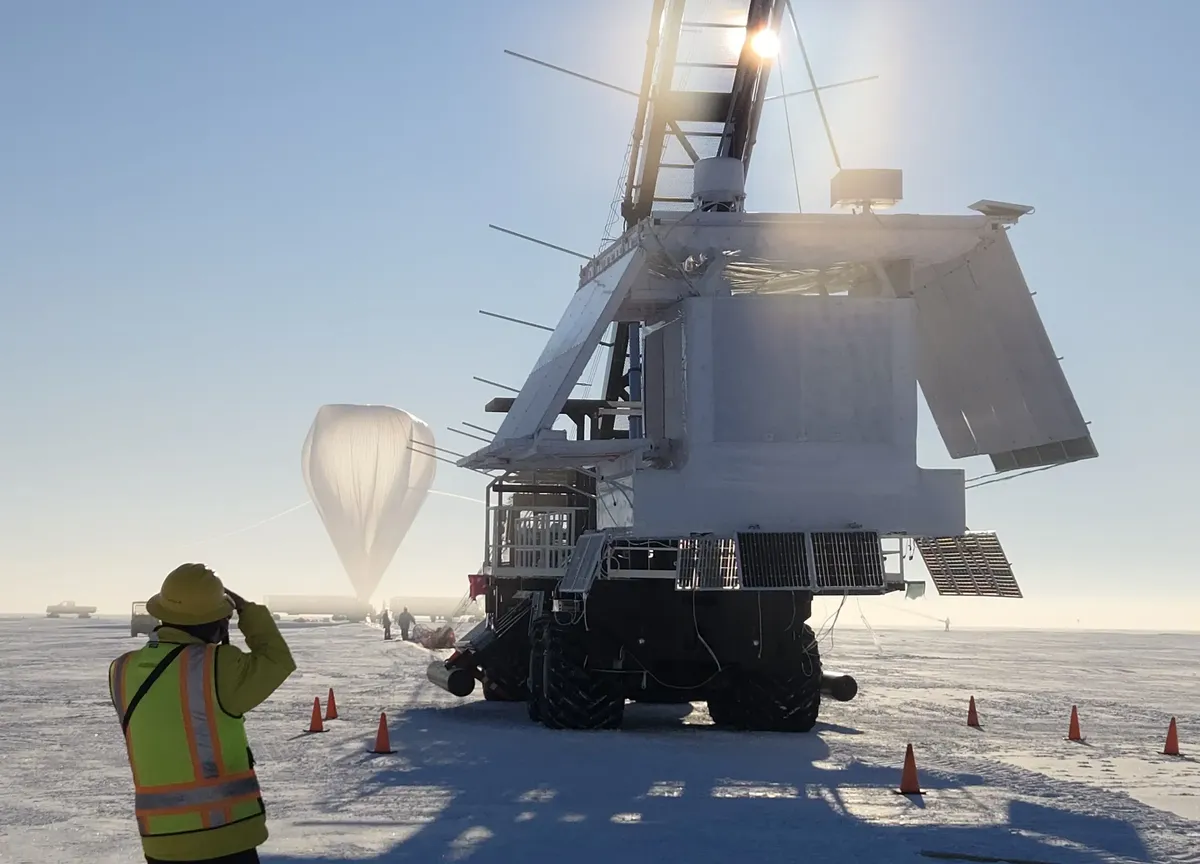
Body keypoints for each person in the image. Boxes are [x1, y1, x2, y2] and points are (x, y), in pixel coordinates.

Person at [109, 563, 296, 864]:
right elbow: (277, 660)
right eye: (224, 621)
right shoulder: (217, 666)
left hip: (159, 842)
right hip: (224, 838)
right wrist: (250, 612)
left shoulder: (122, 669)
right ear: (214, 623)